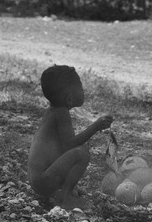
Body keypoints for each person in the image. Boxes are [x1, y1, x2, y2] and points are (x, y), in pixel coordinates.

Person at [28, 65, 113, 210]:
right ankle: (65, 197)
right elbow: (69, 146)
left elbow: (60, 150)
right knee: (81, 153)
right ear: (69, 98)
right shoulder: (61, 113)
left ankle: (66, 191)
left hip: (38, 180)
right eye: (80, 88)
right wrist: (96, 126)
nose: (83, 91)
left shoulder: (52, 111)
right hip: (43, 181)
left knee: (75, 153)